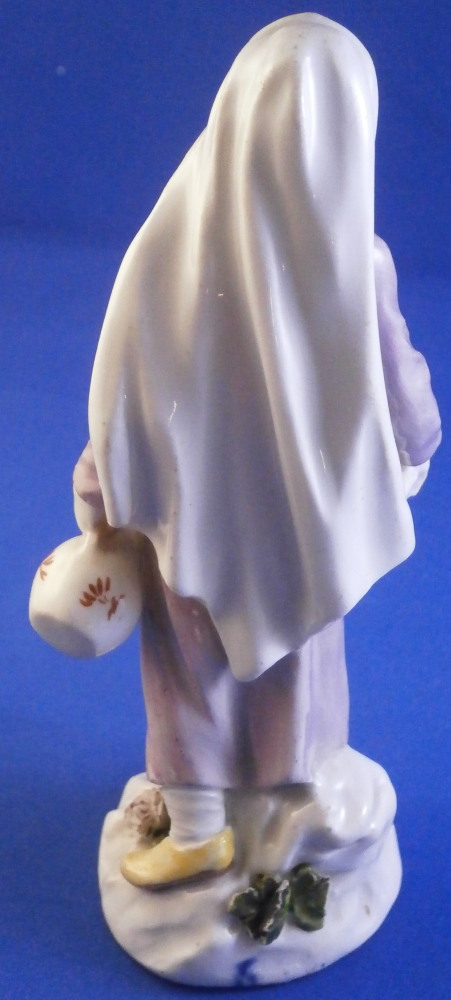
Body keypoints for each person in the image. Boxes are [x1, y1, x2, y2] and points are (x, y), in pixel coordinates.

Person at [73, 14, 441, 887]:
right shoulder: (358, 267)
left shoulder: (162, 251)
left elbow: (119, 384)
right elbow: (407, 402)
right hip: (298, 532)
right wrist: (413, 443)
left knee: (188, 669)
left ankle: (201, 818)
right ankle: (284, 796)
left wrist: (100, 491)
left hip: (185, 528)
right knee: (293, 663)